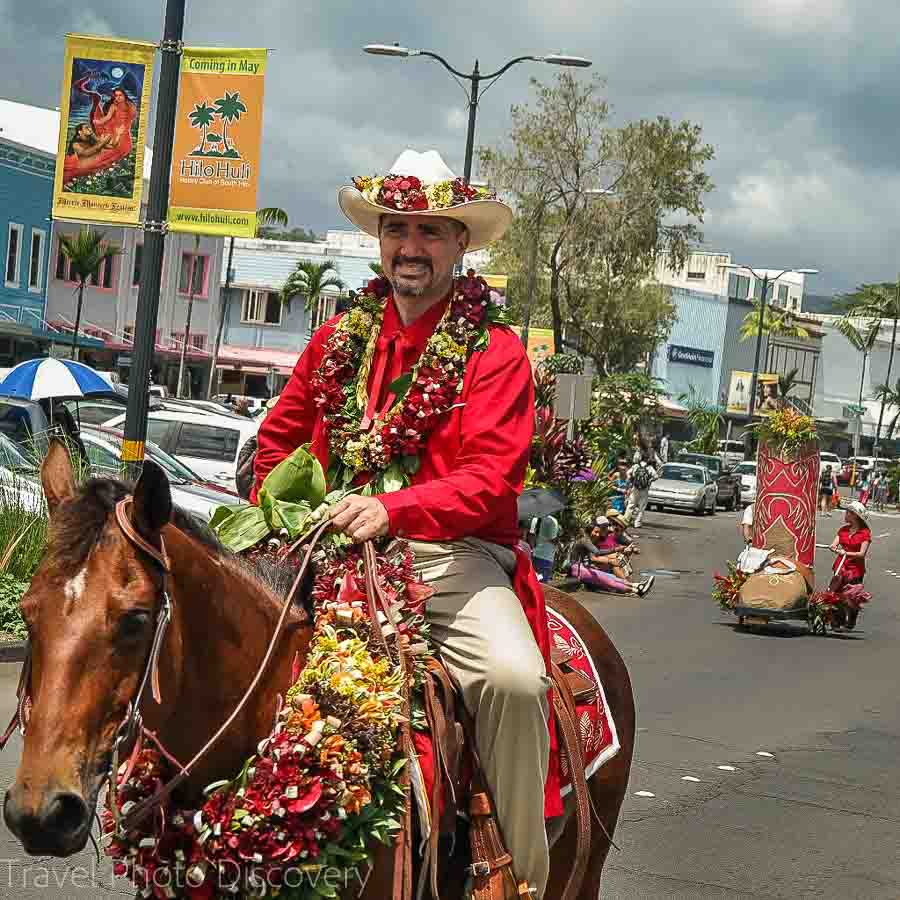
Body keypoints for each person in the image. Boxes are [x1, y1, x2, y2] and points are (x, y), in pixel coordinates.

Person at [251, 149, 551, 895]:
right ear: (379, 240)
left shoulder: (496, 352)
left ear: (460, 245)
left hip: (450, 557)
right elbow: (275, 440)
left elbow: (489, 482)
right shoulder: (336, 339)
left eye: (430, 232)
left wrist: (392, 507)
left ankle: (517, 879)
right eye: (396, 230)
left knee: (515, 682)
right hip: (324, 552)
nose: (410, 248)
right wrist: (281, 510)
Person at [569, 520, 654, 596]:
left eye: (599, 532)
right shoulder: (584, 540)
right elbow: (597, 553)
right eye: (595, 532)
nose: (598, 534)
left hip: (582, 567)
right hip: (577, 569)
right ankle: (635, 589)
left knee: (610, 577)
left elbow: (589, 558)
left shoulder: (590, 540)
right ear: (589, 531)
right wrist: (615, 550)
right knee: (606, 579)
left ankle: (636, 586)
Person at [829, 500, 871, 629]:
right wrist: (834, 548)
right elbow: (834, 544)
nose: (845, 514)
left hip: (855, 569)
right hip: (841, 567)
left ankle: (851, 619)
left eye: (848, 512)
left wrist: (846, 553)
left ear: (855, 516)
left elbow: (862, 553)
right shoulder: (843, 530)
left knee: (852, 596)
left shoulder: (864, 533)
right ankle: (837, 620)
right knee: (836, 593)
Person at [625, 457, 657, 527]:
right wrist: (649, 480)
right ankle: (637, 523)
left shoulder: (635, 466)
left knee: (631, 505)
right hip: (644, 489)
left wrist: (631, 480)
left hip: (635, 488)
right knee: (642, 507)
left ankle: (626, 521)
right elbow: (656, 476)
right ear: (647, 459)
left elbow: (628, 473)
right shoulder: (649, 467)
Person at [530, 514, 560, 583]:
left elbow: (531, 536)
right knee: (541, 584)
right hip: (546, 557)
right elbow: (553, 539)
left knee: (533, 581)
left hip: (535, 555)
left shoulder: (535, 519)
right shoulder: (552, 520)